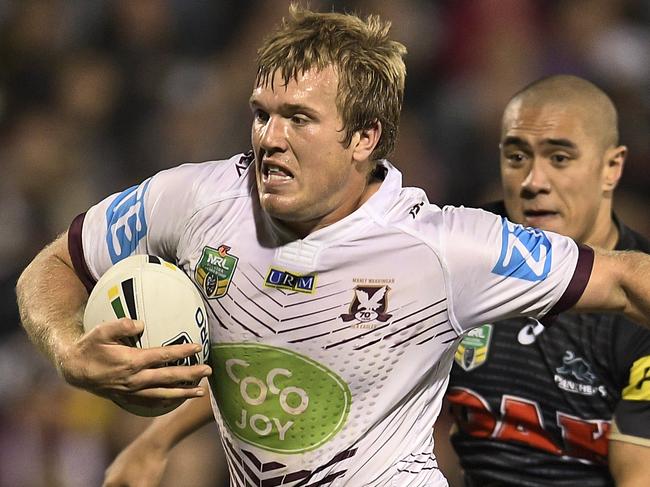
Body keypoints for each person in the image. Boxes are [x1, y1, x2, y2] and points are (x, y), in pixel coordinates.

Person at [16, 5, 650, 486]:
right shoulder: (194, 200)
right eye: (262, 113)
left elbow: (625, 279)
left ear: (365, 137)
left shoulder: (442, 249)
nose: (270, 137)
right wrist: (70, 349)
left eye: (299, 118)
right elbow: (52, 265)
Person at [440, 75, 650, 487]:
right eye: (517, 157)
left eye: (559, 158)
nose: (534, 182)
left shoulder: (641, 306)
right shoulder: (458, 255)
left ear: (612, 167)